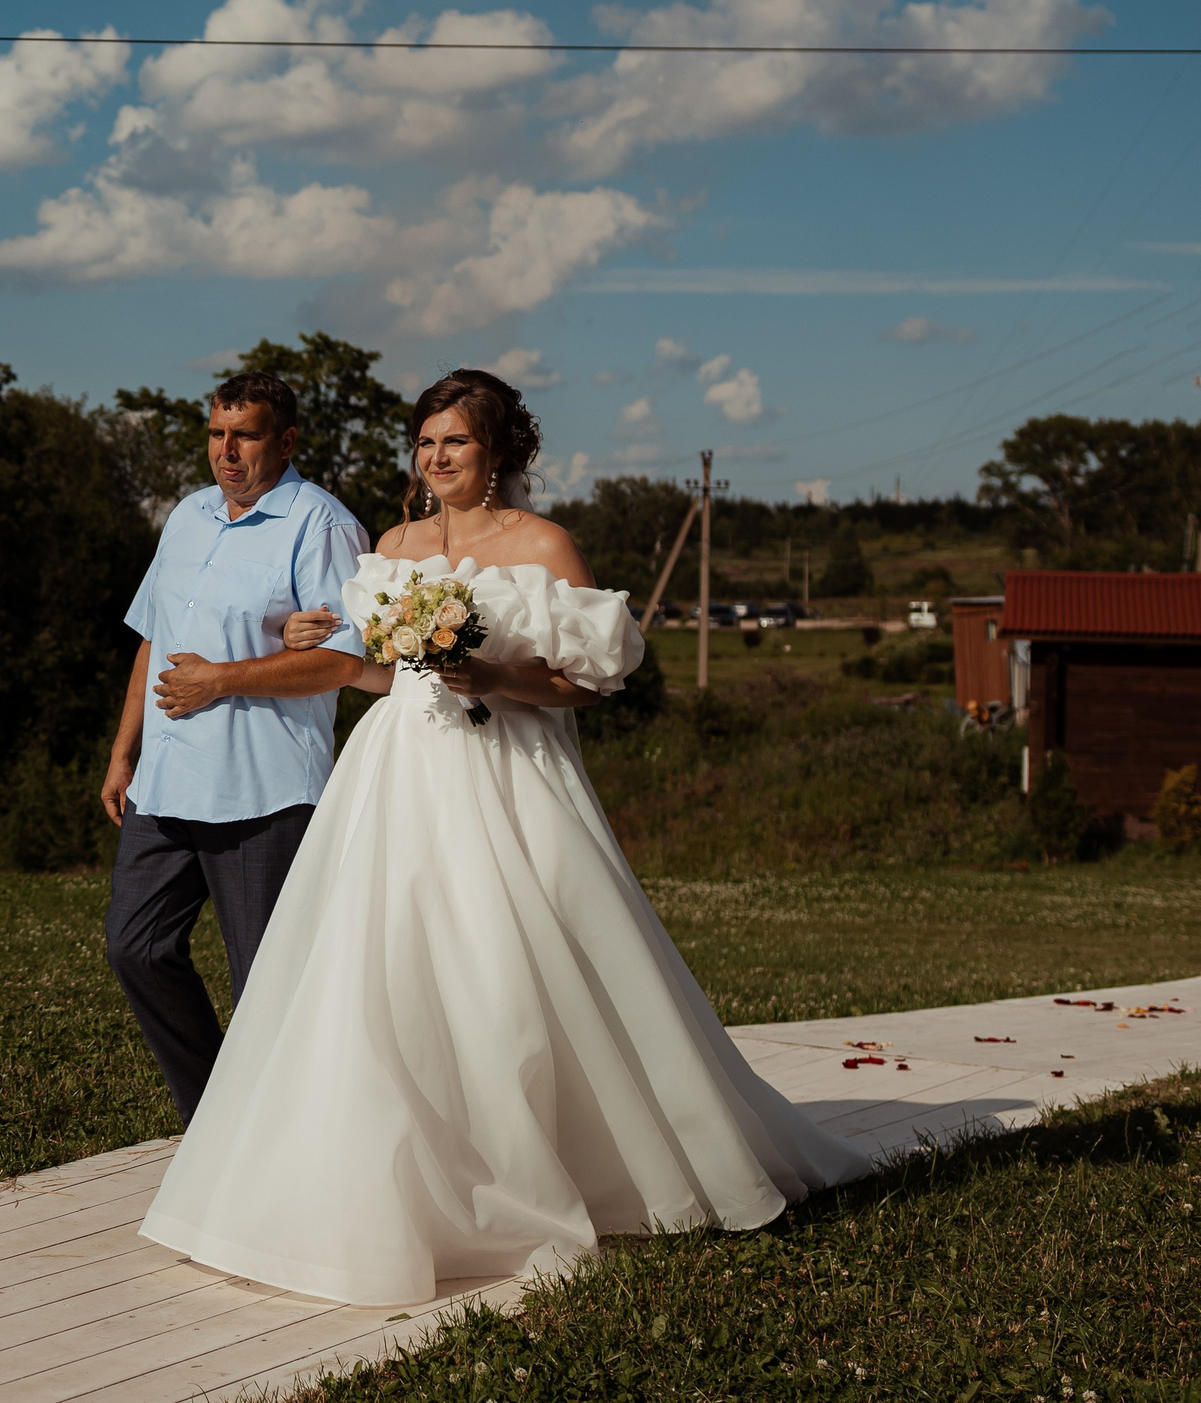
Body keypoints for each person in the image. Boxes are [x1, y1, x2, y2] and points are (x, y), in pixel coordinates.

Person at [138, 369, 867, 1305]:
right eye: (426, 443)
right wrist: (330, 643)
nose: (436, 460)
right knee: (377, 972)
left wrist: (494, 677)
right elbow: (379, 675)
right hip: (399, 769)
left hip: (507, 773)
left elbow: (586, 681)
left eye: (457, 444)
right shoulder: (394, 544)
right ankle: (365, 1179)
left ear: (498, 453)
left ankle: (561, 1163)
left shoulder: (541, 543)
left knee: (509, 967)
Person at [101, 371, 371, 1125]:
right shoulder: (186, 517)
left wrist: (223, 680)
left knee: (268, 988)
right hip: (166, 781)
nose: (227, 450)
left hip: (264, 791)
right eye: (218, 433)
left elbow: (347, 660)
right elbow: (154, 638)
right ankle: (220, 1121)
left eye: (245, 434)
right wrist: (125, 751)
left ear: (284, 441)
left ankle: (291, 1150)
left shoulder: (321, 526)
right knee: (136, 948)